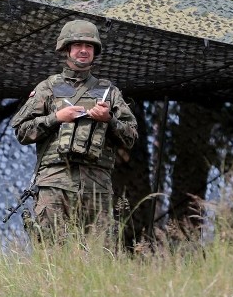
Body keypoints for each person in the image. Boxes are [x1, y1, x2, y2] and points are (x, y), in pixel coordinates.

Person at [10, 19, 138, 241]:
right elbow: (22, 131)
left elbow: (131, 137)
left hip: (97, 186)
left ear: (95, 52)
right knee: (50, 254)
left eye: (89, 46)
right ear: (66, 49)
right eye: (78, 45)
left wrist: (109, 120)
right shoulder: (48, 88)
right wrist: (56, 118)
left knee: (99, 254)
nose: (83, 50)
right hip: (54, 183)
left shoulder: (109, 91)